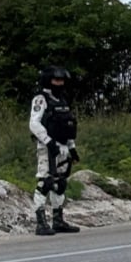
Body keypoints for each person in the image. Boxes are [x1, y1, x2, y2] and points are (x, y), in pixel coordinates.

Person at [28, 65, 81, 235]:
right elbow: (34, 123)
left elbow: (67, 126)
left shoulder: (62, 100)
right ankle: (41, 222)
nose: (59, 83)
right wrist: (48, 141)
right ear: (48, 80)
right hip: (47, 147)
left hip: (63, 147)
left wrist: (72, 148)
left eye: (61, 80)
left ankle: (58, 220)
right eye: (56, 80)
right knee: (46, 182)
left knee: (60, 183)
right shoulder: (40, 99)